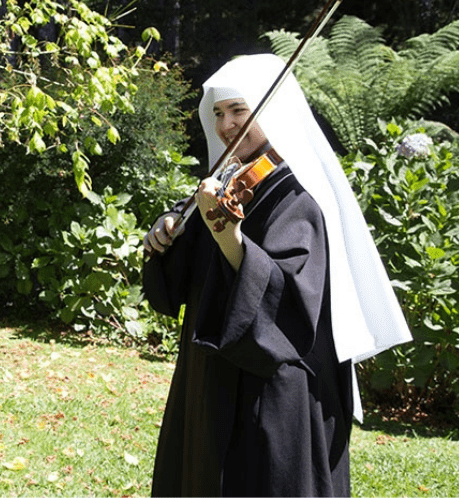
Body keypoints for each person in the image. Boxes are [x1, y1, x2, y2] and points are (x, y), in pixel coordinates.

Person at [143, 54, 411, 496]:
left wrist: (229, 236)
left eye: (238, 110)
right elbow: (188, 268)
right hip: (210, 381)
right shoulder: (229, 184)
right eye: (218, 113)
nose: (226, 125)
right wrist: (167, 231)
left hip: (271, 394)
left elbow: (285, 304)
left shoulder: (301, 200)